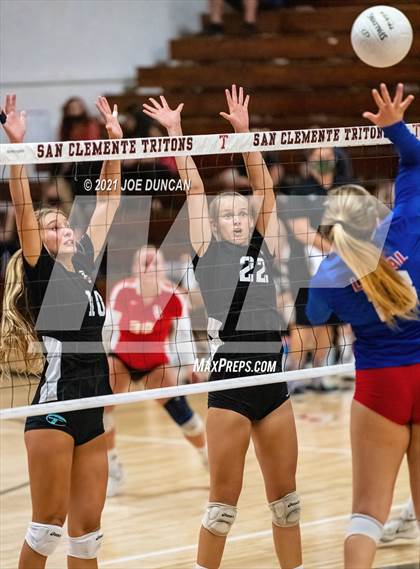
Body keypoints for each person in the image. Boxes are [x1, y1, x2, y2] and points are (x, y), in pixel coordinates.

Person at [143, 85, 302, 569]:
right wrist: (176, 132)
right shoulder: (208, 252)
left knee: (287, 503)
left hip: (272, 378)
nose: (236, 217)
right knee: (221, 509)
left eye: (241, 212)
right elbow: (194, 190)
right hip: (231, 379)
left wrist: (245, 135)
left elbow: (265, 191)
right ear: (214, 224)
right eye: (227, 213)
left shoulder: (261, 244)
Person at [0, 94, 122, 569]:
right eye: (52, 228)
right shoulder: (41, 273)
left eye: (64, 224)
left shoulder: (85, 263)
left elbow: (109, 199)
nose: (64, 229)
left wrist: (114, 141)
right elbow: (23, 208)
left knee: (88, 535)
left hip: (92, 407)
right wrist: (17, 148)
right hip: (55, 407)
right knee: (47, 527)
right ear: (40, 241)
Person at [306, 83, 420, 569]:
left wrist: (331, 260)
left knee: (367, 516)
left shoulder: (329, 277)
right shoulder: (406, 227)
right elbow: (415, 163)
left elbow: (314, 318)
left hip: (380, 386)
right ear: (375, 212)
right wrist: (395, 127)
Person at [104, 245, 207, 497]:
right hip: (121, 359)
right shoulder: (121, 291)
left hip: (155, 364)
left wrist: (191, 366)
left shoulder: (174, 296)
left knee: (185, 417)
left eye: (156, 264)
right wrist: (100, 361)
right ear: (134, 269)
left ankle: (207, 457)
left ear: (164, 269)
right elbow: (107, 330)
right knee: (100, 412)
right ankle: (113, 469)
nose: (150, 268)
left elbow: (183, 335)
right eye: (145, 263)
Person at [285, 145, 354, 392]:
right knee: (303, 322)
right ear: (309, 160)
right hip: (305, 267)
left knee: (328, 321)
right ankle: (292, 376)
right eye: (317, 156)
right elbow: (300, 231)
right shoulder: (300, 190)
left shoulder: (345, 189)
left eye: (327, 156)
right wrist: (335, 249)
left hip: (338, 268)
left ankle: (318, 375)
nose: (323, 160)